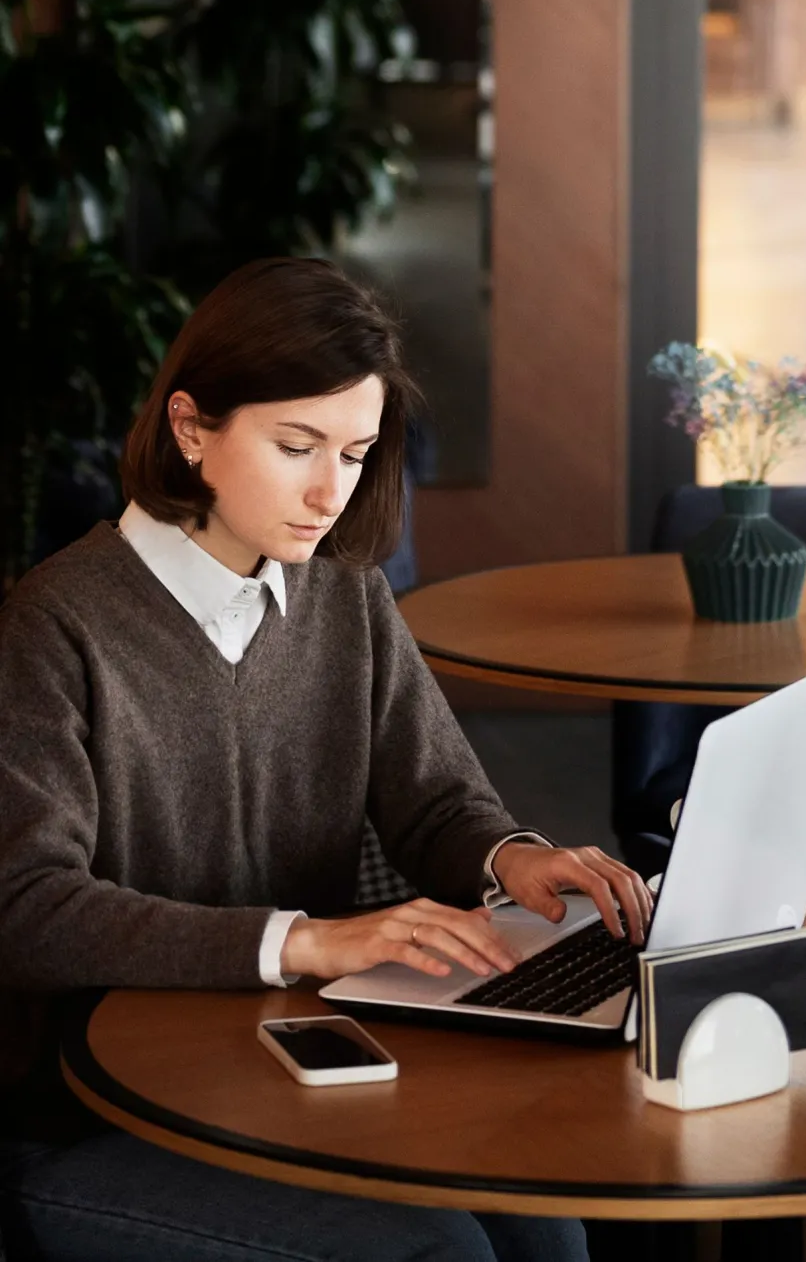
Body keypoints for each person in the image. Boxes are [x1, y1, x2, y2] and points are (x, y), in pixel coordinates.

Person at [0, 257, 652, 1262]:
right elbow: (29, 910)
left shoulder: (342, 592)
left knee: (549, 1221)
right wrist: (305, 941)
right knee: (445, 1252)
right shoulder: (54, 624)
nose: (327, 491)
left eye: (352, 453)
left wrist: (511, 857)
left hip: (301, 1060)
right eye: (294, 444)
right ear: (191, 428)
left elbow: (435, 803)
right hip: (92, 1110)